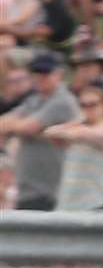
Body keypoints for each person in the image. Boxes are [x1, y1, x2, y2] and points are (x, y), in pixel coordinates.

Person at [0, 52, 77, 210]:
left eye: (45, 73)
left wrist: (20, 127)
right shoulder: (34, 99)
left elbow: (28, 127)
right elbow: (3, 123)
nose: (40, 78)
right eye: (36, 73)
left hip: (49, 190)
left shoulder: (62, 101)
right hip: (28, 189)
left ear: (58, 74)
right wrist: (22, 126)